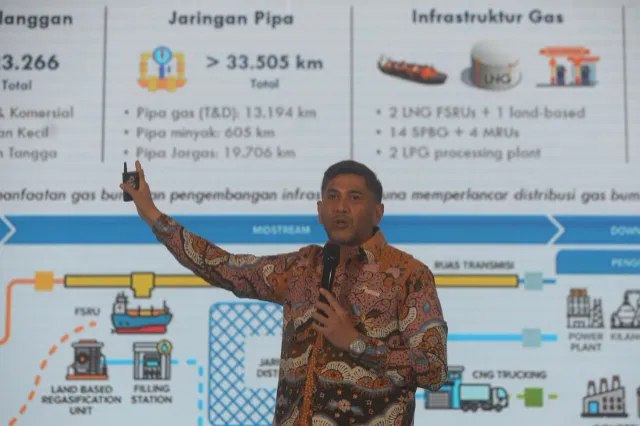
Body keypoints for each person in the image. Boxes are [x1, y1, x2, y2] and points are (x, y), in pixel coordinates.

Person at [120, 159, 448, 426]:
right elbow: (224, 267)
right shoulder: (301, 268)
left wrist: (355, 343)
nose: (341, 207)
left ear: (378, 212)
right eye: (332, 197)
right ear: (319, 210)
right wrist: (152, 214)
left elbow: (434, 370)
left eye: (354, 198)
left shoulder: (409, 276)